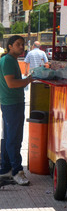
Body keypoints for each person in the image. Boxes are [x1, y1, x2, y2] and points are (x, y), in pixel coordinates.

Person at [0, 35, 33, 185]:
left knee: (9, 136)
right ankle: (17, 171)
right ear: (10, 46)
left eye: (23, 44)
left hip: (12, 102)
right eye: (18, 44)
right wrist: (29, 80)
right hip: (12, 103)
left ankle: (6, 167)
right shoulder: (7, 60)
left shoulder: (10, 60)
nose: (22, 47)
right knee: (14, 138)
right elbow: (11, 83)